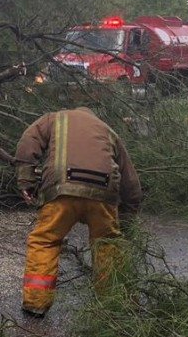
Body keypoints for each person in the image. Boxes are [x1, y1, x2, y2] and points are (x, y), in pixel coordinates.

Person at [14, 107, 142, 318]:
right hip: (104, 194)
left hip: (62, 190)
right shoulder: (109, 131)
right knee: (107, 245)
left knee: (46, 240)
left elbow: (29, 141)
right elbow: (131, 184)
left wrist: (26, 180)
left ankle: (36, 303)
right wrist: (126, 221)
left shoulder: (53, 119)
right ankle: (111, 303)